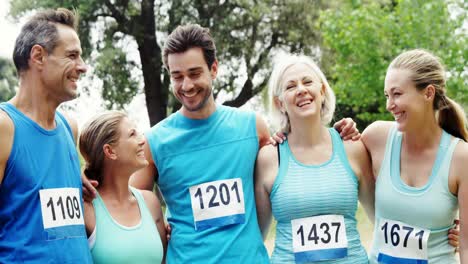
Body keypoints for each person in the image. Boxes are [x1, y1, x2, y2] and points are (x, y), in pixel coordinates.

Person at [83, 24, 358, 263]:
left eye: (194, 73)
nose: (186, 85)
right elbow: (128, 207)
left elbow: (299, 151)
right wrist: (85, 176)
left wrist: (337, 133)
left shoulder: (254, 127)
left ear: (214, 69)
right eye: (177, 76)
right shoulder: (155, 142)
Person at [255, 54, 375, 263]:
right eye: (290, 86)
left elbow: (382, 218)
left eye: (307, 82)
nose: (301, 89)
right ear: (280, 103)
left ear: (322, 91)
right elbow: (255, 237)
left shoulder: (353, 148)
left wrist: (444, 228)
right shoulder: (269, 157)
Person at [0, 8, 92, 263]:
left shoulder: (69, 127)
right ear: (38, 56)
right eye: (72, 56)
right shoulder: (4, 127)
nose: (82, 67)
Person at [362, 49, 468, 264]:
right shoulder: (375, 138)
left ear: (428, 93)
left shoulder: (461, 157)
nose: (389, 105)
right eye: (387, 95)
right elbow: (334, 163)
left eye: (397, 94)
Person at [79, 111, 167, 263]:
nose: (142, 141)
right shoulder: (85, 208)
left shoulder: (150, 202)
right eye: (133, 134)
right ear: (110, 151)